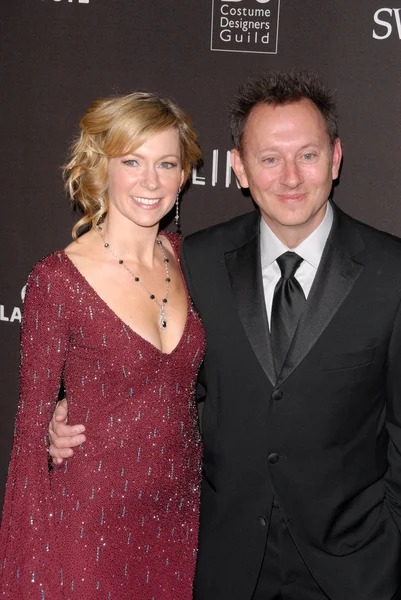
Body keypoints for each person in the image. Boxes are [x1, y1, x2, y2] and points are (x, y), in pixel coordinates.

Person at [49, 70, 401, 600]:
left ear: (335, 158)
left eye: (307, 155)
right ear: (238, 167)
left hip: (356, 568)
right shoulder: (195, 261)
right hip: (221, 563)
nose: (290, 178)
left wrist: (389, 544)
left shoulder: (392, 271)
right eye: (268, 158)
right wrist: (70, 416)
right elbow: (160, 381)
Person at [0, 91, 204, 599]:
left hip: (179, 518)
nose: (151, 181)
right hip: (88, 524)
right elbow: (29, 441)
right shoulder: (58, 280)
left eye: (166, 163)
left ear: (183, 175)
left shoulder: (194, 261)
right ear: (101, 167)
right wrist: (29, 577)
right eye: (132, 161)